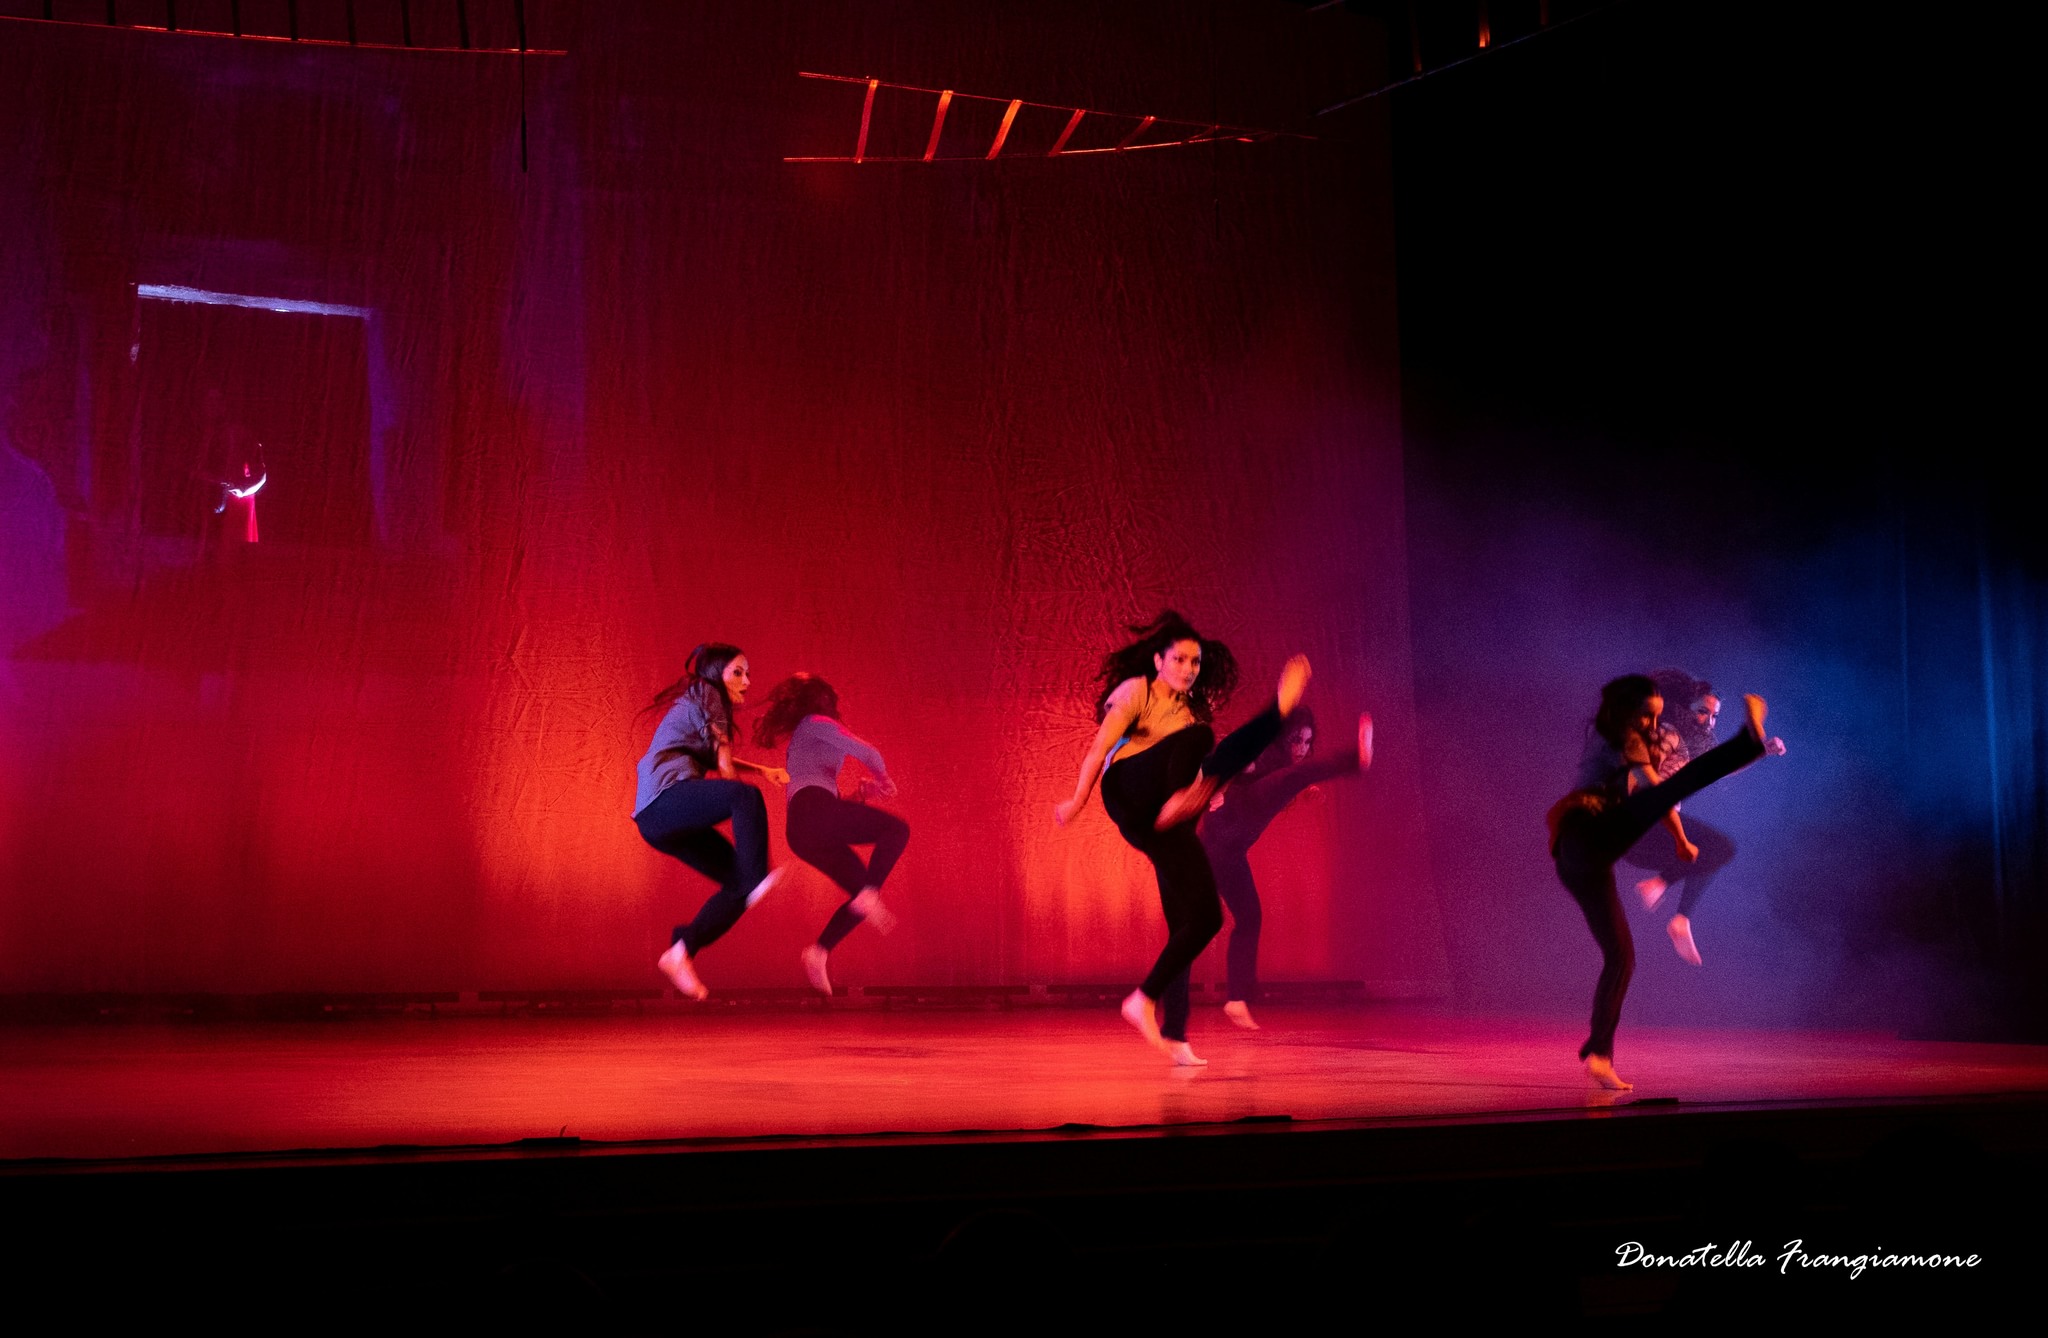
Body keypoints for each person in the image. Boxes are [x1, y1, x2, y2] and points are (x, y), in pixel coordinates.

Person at [1054, 611, 1311, 1066]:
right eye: (1180, 659)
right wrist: (1076, 803)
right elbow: (1099, 750)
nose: (1190, 668)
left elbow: (1211, 763)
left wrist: (1206, 791)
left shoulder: (1192, 711)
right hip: (1128, 793)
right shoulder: (1138, 692)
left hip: (1164, 821)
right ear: (1158, 660)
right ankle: (1265, 723)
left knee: (1201, 920)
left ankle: (1162, 1020)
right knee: (1203, 737)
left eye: (1196, 661)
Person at [1548, 676, 1778, 1090]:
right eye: (1648, 717)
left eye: (1658, 717)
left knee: (1621, 956)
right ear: (1627, 712)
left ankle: (1600, 1055)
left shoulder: (1636, 734)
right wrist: (1680, 840)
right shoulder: (1617, 733)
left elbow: (1663, 789)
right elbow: (1658, 790)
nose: (1655, 726)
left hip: (1587, 860)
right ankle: (1747, 739)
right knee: (1673, 790)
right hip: (1588, 834)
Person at [1197, 706, 1375, 1030]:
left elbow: (1280, 785)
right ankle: (1355, 760)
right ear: (1283, 739)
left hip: (1229, 851)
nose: (1301, 749)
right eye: (1296, 740)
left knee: (1250, 917)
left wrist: (1304, 794)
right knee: (1297, 774)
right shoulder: (1267, 754)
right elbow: (1234, 760)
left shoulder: (1285, 773)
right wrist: (1218, 786)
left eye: (1307, 742)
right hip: (1222, 826)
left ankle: (1237, 998)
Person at [632, 643, 789, 1000]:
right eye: (738, 672)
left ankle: (681, 951)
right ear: (715, 673)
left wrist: (763, 770)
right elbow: (724, 767)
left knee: (737, 886)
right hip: (663, 802)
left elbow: (714, 755)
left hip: (659, 821)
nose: (747, 680)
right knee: (743, 797)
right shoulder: (708, 693)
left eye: (748, 673)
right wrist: (745, 793)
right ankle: (756, 875)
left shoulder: (700, 704)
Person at [753, 673, 911, 996]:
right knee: (896, 830)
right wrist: (881, 777)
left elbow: (830, 804)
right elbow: (867, 752)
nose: (834, 705)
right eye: (829, 698)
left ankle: (819, 951)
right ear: (819, 702)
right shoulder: (814, 722)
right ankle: (870, 894)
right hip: (814, 814)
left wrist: (862, 795)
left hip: (804, 829)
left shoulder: (808, 736)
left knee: (862, 895)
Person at [1621, 670, 1787, 965]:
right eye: (1702, 712)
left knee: (1714, 852)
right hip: (1640, 828)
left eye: (1714, 716)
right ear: (1684, 708)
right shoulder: (1669, 733)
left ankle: (1679, 917)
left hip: (1656, 841)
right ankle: (1660, 886)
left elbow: (1724, 766)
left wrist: (1761, 751)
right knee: (1720, 848)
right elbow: (1640, 768)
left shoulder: (1695, 743)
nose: (1708, 722)